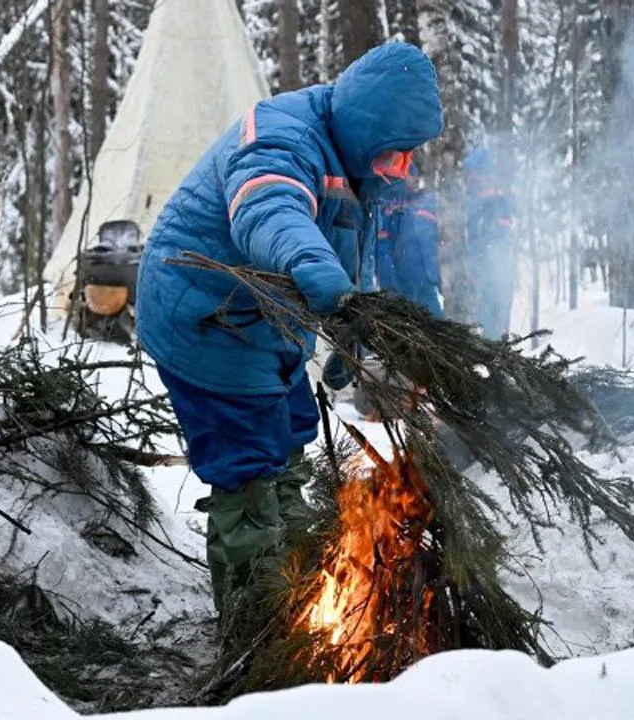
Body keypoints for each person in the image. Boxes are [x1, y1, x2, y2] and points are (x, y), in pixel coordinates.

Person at [134, 42, 444, 615]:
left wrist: (354, 333)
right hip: (204, 315)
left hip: (263, 319)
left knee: (293, 430)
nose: (399, 171)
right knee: (248, 463)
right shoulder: (281, 134)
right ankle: (254, 626)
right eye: (395, 155)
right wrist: (313, 267)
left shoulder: (352, 161)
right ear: (369, 125)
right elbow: (268, 207)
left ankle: (299, 585)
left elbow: (353, 256)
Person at [374, 165, 444, 317]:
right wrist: (389, 282)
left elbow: (431, 244)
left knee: (437, 325)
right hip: (403, 282)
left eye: (418, 175)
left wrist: (436, 275)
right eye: (412, 175)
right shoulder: (390, 203)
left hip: (425, 281)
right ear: (402, 175)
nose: (417, 179)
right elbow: (382, 245)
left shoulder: (423, 202)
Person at [463, 145, 515, 340]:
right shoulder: (471, 200)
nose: (471, 179)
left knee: (492, 315)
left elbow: (499, 236)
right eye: (470, 174)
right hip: (477, 269)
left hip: (492, 270)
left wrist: (477, 251)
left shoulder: (498, 202)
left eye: (475, 173)